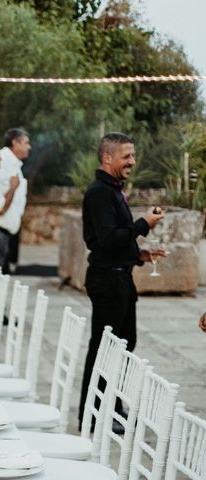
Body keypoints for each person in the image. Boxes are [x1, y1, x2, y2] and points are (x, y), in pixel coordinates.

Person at [78, 132, 166, 431]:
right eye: (126, 156)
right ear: (107, 158)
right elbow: (107, 239)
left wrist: (140, 256)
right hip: (107, 282)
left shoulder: (112, 190)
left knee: (124, 346)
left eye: (133, 155)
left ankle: (110, 408)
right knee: (105, 348)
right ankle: (92, 415)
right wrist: (144, 224)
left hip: (120, 277)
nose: (132, 161)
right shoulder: (100, 193)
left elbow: (115, 240)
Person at [0, 128, 31, 273]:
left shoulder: (14, 163)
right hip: (0, 225)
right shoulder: (2, 161)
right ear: (15, 143)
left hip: (9, 224)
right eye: (26, 143)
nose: (29, 147)